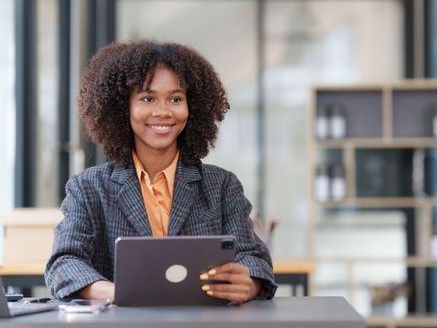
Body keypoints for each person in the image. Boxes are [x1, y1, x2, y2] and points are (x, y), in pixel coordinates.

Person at [45, 41, 277, 304]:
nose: (163, 111)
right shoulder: (88, 188)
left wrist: (248, 283)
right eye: (148, 98)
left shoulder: (222, 185)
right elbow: (64, 263)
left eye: (176, 99)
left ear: (193, 107)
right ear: (123, 107)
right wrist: (116, 293)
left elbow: (254, 258)